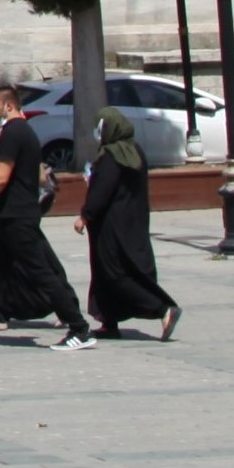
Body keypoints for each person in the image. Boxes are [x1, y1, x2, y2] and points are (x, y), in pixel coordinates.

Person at [0, 86, 91, 351]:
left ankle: (79, 328)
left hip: (16, 217)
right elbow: (39, 175)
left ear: (8, 106)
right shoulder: (22, 132)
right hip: (7, 216)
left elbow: (1, 178)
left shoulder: (14, 133)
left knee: (41, 271)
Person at [76, 111, 180, 339]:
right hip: (133, 222)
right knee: (109, 273)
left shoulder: (111, 156)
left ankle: (162, 308)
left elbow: (102, 191)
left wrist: (85, 215)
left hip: (111, 226)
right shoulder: (134, 151)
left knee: (115, 274)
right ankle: (108, 321)